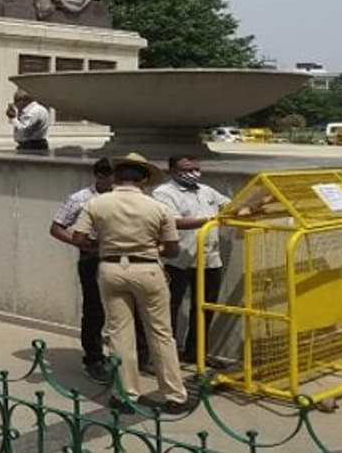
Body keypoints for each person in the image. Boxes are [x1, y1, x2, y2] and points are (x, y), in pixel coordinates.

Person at [70, 153, 191, 414]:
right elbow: (172, 249)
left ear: (115, 176)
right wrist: (153, 249)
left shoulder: (96, 203)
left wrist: (103, 247)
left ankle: (125, 394)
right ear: (144, 180)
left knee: (119, 334)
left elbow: (78, 237)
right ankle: (174, 395)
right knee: (160, 333)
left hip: (111, 268)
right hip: (147, 268)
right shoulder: (157, 207)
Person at [49, 158, 149, 383]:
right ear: (100, 176)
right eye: (115, 177)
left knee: (133, 306)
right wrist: (84, 245)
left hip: (125, 255)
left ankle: (139, 356)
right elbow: (57, 228)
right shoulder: (81, 199)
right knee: (94, 309)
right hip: (93, 257)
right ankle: (93, 359)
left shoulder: (128, 197)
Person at [153, 155, 230, 364]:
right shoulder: (163, 193)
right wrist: (211, 220)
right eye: (186, 170)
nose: (193, 174)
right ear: (172, 171)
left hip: (209, 259)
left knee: (204, 308)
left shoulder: (207, 191)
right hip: (179, 259)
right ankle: (165, 357)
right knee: (170, 308)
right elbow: (173, 222)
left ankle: (196, 354)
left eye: (196, 169)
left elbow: (229, 206)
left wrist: (250, 204)